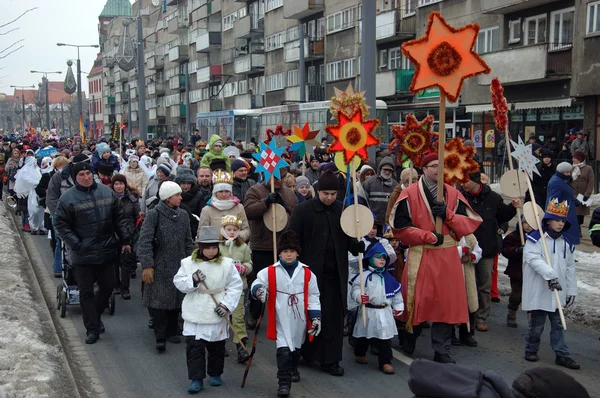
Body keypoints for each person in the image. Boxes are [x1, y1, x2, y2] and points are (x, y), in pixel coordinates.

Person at [389, 153, 482, 363]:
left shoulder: (453, 194)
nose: (438, 170)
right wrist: (427, 236)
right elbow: (399, 227)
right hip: (422, 254)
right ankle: (409, 338)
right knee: (417, 301)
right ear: (424, 169)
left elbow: (470, 222)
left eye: (441, 166)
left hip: (448, 256)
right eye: (433, 166)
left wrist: (448, 214)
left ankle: (442, 350)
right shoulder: (410, 194)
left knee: (446, 305)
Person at [289, 170, 364, 376]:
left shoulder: (343, 211)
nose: (329, 198)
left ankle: (330, 360)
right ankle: (297, 358)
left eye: (333, 194)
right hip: (308, 275)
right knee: (304, 317)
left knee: (332, 319)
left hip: (334, 275)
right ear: (317, 191)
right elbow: (291, 238)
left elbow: (350, 238)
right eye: (325, 193)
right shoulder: (303, 210)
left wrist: (356, 246)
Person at [53, 160, 131, 344]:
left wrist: (125, 239)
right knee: (86, 292)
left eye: (88, 174)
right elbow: (61, 224)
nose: (86, 177)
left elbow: (119, 218)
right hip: (83, 254)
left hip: (106, 251)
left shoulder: (106, 192)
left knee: (107, 286)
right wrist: (76, 244)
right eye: (81, 175)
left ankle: (94, 317)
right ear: (75, 177)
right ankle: (92, 329)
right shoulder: (68, 198)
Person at [251, 230, 321, 398]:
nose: (289, 255)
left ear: (297, 253)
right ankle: (283, 383)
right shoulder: (270, 271)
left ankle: (293, 368)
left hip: (299, 318)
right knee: (283, 349)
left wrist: (316, 317)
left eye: (292, 251)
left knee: (295, 348)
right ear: (280, 253)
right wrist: (260, 291)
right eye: (285, 251)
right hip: (280, 315)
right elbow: (257, 282)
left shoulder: (307, 273)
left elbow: (313, 296)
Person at [173, 226, 243, 394]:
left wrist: (226, 306)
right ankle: (196, 379)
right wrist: (193, 280)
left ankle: (215, 373)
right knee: (194, 348)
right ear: (200, 247)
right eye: (207, 247)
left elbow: (235, 286)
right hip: (195, 311)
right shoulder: (188, 263)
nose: (211, 251)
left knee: (217, 347)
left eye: (214, 247)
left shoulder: (227, 264)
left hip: (217, 310)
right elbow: (179, 283)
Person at [522, 197, 580, 370]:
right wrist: (550, 275)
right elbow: (533, 259)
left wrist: (571, 290)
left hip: (558, 291)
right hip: (541, 289)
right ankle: (531, 349)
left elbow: (570, 267)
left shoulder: (567, 243)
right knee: (537, 324)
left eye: (563, 220)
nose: (560, 224)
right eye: (556, 220)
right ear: (548, 220)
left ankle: (562, 355)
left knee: (558, 324)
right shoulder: (535, 239)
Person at [137, 181, 194, 352]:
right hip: (159, 264)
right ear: (168, 198)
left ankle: (171, 330)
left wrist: (190, 261)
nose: (180, 197)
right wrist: (147, 264)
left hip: (179, 263)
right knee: (159, 301)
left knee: (176, 299)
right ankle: (160, 336)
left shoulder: (183, 215)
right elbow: (145, 240)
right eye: (177, 195)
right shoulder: (154, 214)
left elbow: (188, 240)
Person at [460, 171, 520, 332]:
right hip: (466, 249)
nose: (463, 183)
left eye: (466, 181)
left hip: (486, 249)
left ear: (475, 182)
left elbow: (503, 216)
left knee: (484, 286)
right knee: (465, 284)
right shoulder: (460, 196)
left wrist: (512, 207)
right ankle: (465, 316)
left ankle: (481, 318)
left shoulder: (493, 198)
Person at [244, 167, 298, 329]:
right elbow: (248, 211)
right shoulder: (255, 190)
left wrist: (284, 208)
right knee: (259, 281)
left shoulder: (289, 193)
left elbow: (294, 215)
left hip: (282, 245)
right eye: (274, 177)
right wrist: (265, 202)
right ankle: (254, 313)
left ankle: (281, 315)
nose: (277, 181)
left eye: (280, 178)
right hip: (262, 244)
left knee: (283, 282)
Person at [350, 242, 403, 375]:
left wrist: (398, 306)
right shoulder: (364, 276)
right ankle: (360, 352)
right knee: (364, 335)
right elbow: (355, 289)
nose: (382, 260)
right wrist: (359, 296)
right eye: (379, 257)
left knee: (384, 339)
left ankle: (385, 362)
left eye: (384, 258)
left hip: (384, 312)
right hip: (368, 311)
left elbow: (396, 294)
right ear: (370, 258)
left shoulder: (388, 278)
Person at [218, 214, 253, 364]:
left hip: (238, 289)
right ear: (223, 230)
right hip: (221, 289)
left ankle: (241, 347)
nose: (232, 232)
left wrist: (244, 268)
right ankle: (219, 344)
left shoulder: (243, 246)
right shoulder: (218, 247)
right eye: (229, 229)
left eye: (234, 229)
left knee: (238, 317)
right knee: (222, 318)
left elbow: (249, 264)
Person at [111, 174, 141, 300]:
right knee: (113, 261)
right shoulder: (109, 198)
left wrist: (134, 232)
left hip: (128, 234)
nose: (119, 186)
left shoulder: (132, 199)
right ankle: (116, 284)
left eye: (121, 184)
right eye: (116, 184)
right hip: (112, 234)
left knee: (125, 262)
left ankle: (125, 288)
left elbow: (137, 217)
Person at [198, 170, 250, 241]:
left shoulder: (239, 207)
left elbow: (246, 229)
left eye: (227, 191)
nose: (224, 194)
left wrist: (236, 236)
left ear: (231, 192)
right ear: (215, 193)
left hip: (236, 247)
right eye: (220, 191)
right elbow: (201, 233)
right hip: (216, 249)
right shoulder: (207, 210)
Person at [502, 218, 534, 328]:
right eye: (526, 223)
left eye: (531, 224)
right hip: (517, 271)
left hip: (531, 272)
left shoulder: (537, 237)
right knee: (516, 295)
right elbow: (505, 250)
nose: (529, 226)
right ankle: (511, 315)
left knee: (531, 297)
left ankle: (532, 320)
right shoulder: (513, 236)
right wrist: (516, 250)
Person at [546, 162, 580, 246]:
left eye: (569, 172)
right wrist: (554, 216)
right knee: (565, 234)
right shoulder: (556, 182)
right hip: (562, 214)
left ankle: (569, 251)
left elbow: (567, 193)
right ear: (560, 172)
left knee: (569, 234)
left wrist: (575, 201)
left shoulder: (562, 180)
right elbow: (553, 200)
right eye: (566, 172)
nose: (568, 174)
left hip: (567, 211)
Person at [362, 156, 398, 225]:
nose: (387, 172)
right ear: (380, 169)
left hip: (388, 224)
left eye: (389, 170)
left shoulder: (395, 186)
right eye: (385, 169)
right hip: (371, 223)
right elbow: (361, 201)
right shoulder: (369, 182)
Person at [175, 165, 205, 238]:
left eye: (188, 183)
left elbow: (202, 213)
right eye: (183, 183)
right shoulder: (173, 195)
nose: (186, 186)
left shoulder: (199, 195)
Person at [571, 151, 594, 233]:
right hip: (573, 194)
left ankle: (578, 226)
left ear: (579, 159)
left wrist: (587, 194)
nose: (573, 159)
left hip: (582, 194)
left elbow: (590, 182)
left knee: (580, 214)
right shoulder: (571, 168)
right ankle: (577, 229)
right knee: (574, 212)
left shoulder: (588, 168)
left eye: (575, 158)